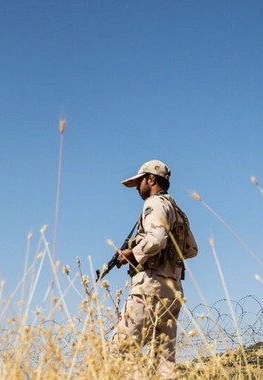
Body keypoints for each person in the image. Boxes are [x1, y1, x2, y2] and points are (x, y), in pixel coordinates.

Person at [111, 159, 198, 380]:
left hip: (149, 289)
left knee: (121, 349)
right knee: (164, 362)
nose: (138, 187)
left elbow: (157, 238)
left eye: (140, 181)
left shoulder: (154, 204)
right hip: (173, 291)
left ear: (151, 179)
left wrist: (132, 254)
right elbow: (192, 249)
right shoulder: (179, 213)